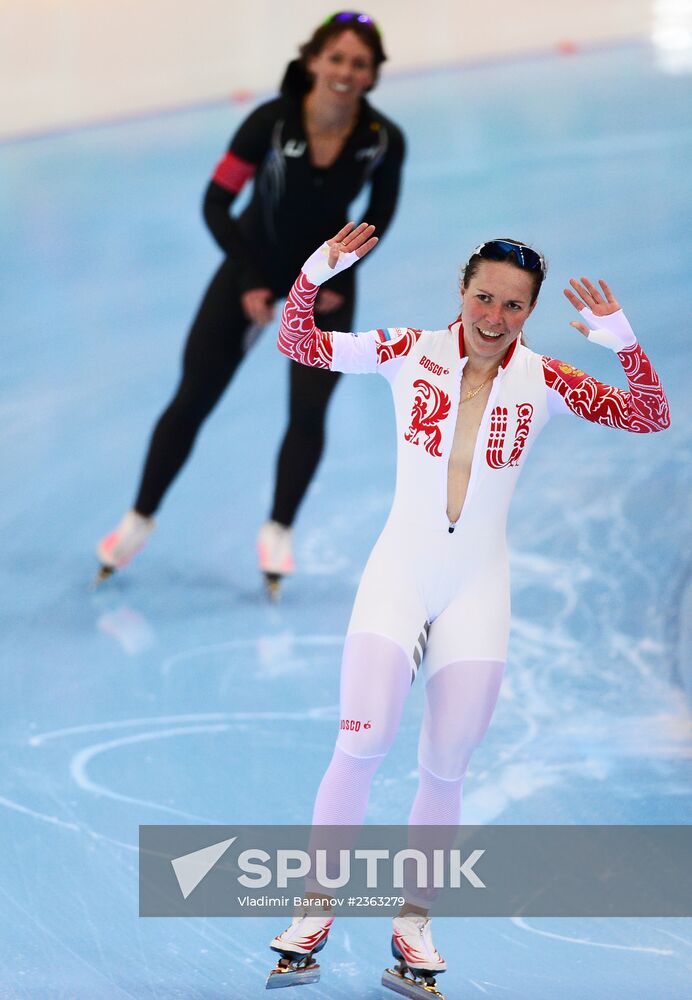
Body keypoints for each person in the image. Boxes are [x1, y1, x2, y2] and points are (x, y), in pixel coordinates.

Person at [266, 223, 670, 994]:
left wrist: (622, 340)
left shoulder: (547, 379)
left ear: (531, 311)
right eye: (484, 295)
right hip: (399, 576)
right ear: (462, 290)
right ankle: (313, 908)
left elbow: (649, 414)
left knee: (445, 766)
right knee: (363, 740)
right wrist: (317, 269)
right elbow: (297, 339)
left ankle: (414, 923)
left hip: (478, 591)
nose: (494, 315)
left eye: (514, 305)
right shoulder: (403, 350)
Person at [95, 12, 405, 591]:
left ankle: (279, 530)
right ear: (312, 61)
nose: (345, 71)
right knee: (193, 397)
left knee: (309, 409)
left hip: (329, 279)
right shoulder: (268, 121)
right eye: (336, 58)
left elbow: (380, 215)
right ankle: (137, 519)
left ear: (372, 76)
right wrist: (248, 280)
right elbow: (216, 202)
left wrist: (339, 275)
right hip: (252, 263)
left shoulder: (383, 140)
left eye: (359, 63)